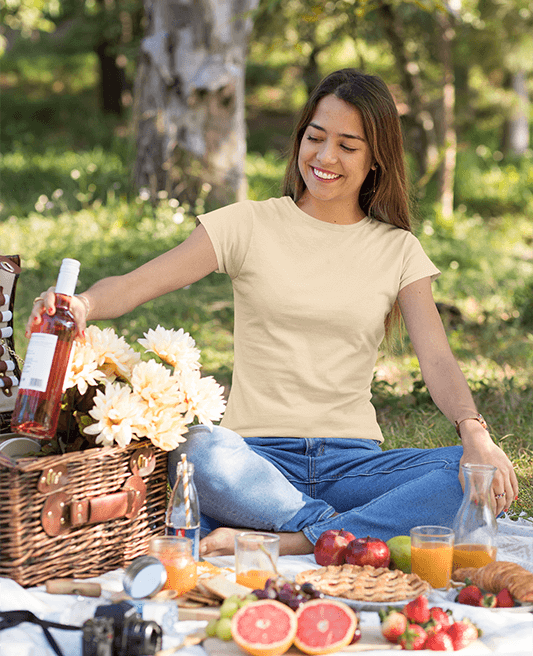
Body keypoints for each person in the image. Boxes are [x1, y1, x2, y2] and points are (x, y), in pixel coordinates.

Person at [29, 68, 518, 558]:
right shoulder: (248, 224)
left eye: (348, 146)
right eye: (315, 137)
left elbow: (436, 359)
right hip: (254, 467)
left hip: (353, 468)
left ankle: (293, 540)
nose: (325, 157)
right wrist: (83, 305)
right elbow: (137, 284)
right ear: (300, 138)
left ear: (375, 160)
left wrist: (476, 436)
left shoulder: (398, 250)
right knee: (196, 449)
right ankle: (334, 533)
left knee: (472, 474)